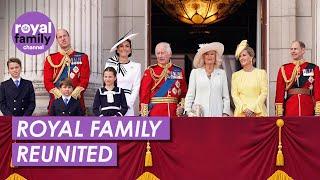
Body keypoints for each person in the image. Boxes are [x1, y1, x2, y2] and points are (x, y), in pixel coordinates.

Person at [43, 29, 90, 114]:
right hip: (56, 104)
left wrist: (73, 95)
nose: (63, 39)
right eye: (60, 37)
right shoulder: (51, 59)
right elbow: (47, 81)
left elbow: (84, 79)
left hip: (77, 104)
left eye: (65, 36)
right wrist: (60, 96)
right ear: (57, 41)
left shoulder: (82, 57)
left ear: (69, 37)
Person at [139, 42, 187, 117]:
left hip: (174, 112)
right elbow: (144, 93)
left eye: (163, 53)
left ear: (170, 54)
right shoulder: (150, 71)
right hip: (156, 112)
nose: (160, 56)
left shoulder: (178, 71)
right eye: (158, 53)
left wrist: (181, 107)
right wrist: (144, 114)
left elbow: (183, 93)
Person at [184, 42, 230, 117]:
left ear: (216, 57)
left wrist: (225, 113)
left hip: (217, 114)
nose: (209, 56)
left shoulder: (222, 73)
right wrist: (188, 111)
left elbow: (226, 97)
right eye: (206, 54)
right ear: (203, 57)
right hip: (198, 114)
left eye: (212, 54)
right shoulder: (195, 73)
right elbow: (190, 95)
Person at [275, 40, 320, 116]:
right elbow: (280, 91)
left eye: (295, 49)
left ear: (303, 50)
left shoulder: (313, 68)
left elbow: (318, 90)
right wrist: (279, 113)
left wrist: (318, 111)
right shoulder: (284, 68)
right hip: (291, 107)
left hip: (308, 106)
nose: (293, 51)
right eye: (291, 49)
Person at [105, 32, 141, 116]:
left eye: (127, 46)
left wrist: (129, 103)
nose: (124, 48)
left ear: (131, 49)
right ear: (117, 49)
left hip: (127, 102)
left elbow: (136, 86)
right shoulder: (110, 63)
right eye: (121, 46)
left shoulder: (136, 66)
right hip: (111, 100)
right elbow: (106, 82)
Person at [231, 40, 268, 117]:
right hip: (241, 114)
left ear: (251, 57)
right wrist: (244, 109)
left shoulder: (261, 73)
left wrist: (252, 109)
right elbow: (235, 95)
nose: (241, 58)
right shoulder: (235, 75)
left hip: (258, 113)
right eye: (240, 56)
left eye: (244, 55)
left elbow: (264, 93)